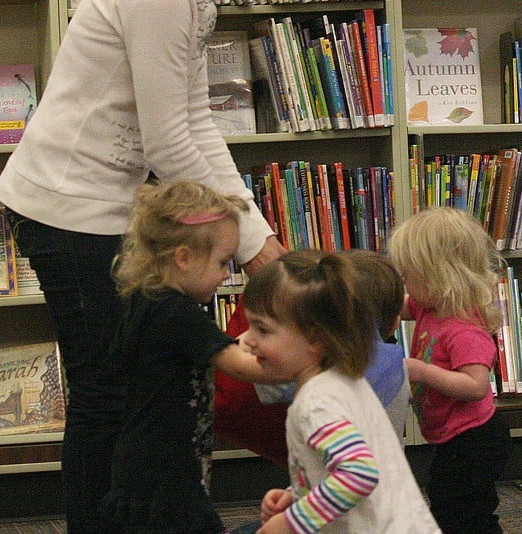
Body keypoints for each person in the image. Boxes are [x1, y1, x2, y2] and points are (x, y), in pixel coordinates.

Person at [0, 0, 297, 532]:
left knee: (121, 389)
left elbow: (194, 123)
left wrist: (257, 234)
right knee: (106, 394)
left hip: (96, 205)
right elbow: (171, 139)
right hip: (69, 208)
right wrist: (252, 244)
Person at [100, 181, 285, 534]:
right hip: (166, 469)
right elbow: (244, 366)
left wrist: (255, 336)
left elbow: (227, 346)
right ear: (184, 258)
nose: (227, 274)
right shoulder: (179, 315)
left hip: (141, 461)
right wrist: (307, 360)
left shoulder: (146, 301)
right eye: (222, 262)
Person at [241, 249, 441, 533]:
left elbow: (358, 473)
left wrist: (291, 522)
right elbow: (349, 462)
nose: (247, 341)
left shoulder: (317, 402)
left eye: (261, 329)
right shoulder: (344, 381)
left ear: (313, 339)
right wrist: (297, 495)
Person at [215, 248, 412, 467]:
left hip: (339, 492)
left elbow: (237, 358)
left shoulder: (309, 368)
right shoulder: (397, 370)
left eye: (261, 329)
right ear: (395, 324)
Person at [388, 206, 513, 534]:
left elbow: (475, 386)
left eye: (408, 275)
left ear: (437, 276)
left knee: (464, 515)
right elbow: (394, 304)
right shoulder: (430, 304)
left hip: (474, 440)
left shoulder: (463, 328)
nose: (405, 283)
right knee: (451, 505)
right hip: (453, 438)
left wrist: (421, 370)